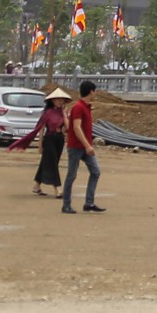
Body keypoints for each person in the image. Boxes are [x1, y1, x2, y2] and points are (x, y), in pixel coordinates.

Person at [6, 87, 68, 196]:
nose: (59, 101)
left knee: (48, 162)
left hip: (60, 139)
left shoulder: (64, 112)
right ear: (52, 100)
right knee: (52, 163)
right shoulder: (47, 113)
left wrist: (64, 114)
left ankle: (36, 185)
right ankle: (58, 188)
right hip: (49, 139)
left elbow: (67, 128)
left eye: (61, 99)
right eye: (57, 99)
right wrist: (40, 145)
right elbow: (40, 129)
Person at [61, 79, 103, 214]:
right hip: (76, 146)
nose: (95, 94)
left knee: (95, 171)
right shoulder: (78, 107)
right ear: (91, 92)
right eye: (95, 91)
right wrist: (87, 145)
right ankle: (66, 204)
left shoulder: (86, 107)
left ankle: (89, 203)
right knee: (71, 175)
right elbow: (76, 128)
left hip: (85, 146)